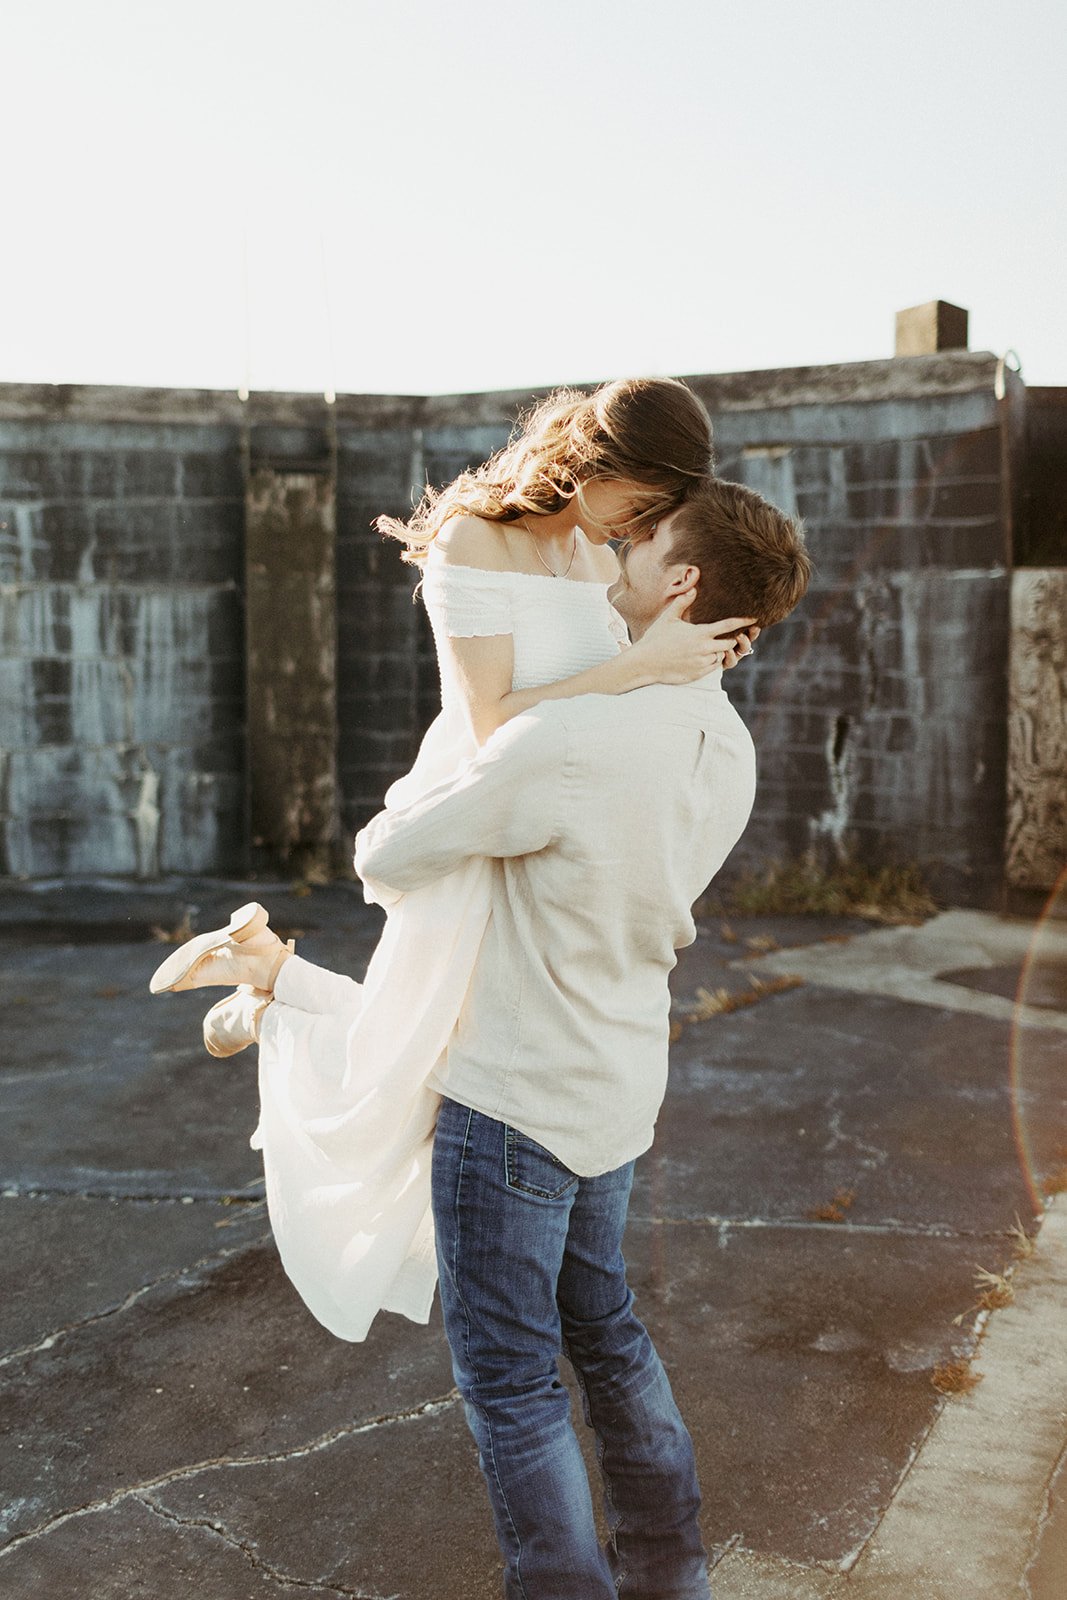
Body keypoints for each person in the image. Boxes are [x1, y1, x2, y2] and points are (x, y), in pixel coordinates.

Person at [151, 474, 811, 1597]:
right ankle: (670, 1573)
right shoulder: (726, 743)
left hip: (510, 1103)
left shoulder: (566, 739)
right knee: (605, 1335)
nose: (616, 561)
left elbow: (384, 856)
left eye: (642, 545)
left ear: (683, 583)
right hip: (613, 1086)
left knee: (510, 1381)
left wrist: (511, 723)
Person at [149, 378, 757, 1342]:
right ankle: (269, 1000)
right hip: (494, 797)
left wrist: (686, 663)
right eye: (639, 499)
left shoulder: (599, 547)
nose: (640, 526)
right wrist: (637, 668)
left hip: (552, 813)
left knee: (447, 1044)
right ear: (594, 463)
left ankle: (270, 978)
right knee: (424, 1053)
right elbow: (490, 725)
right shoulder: (472, 541)